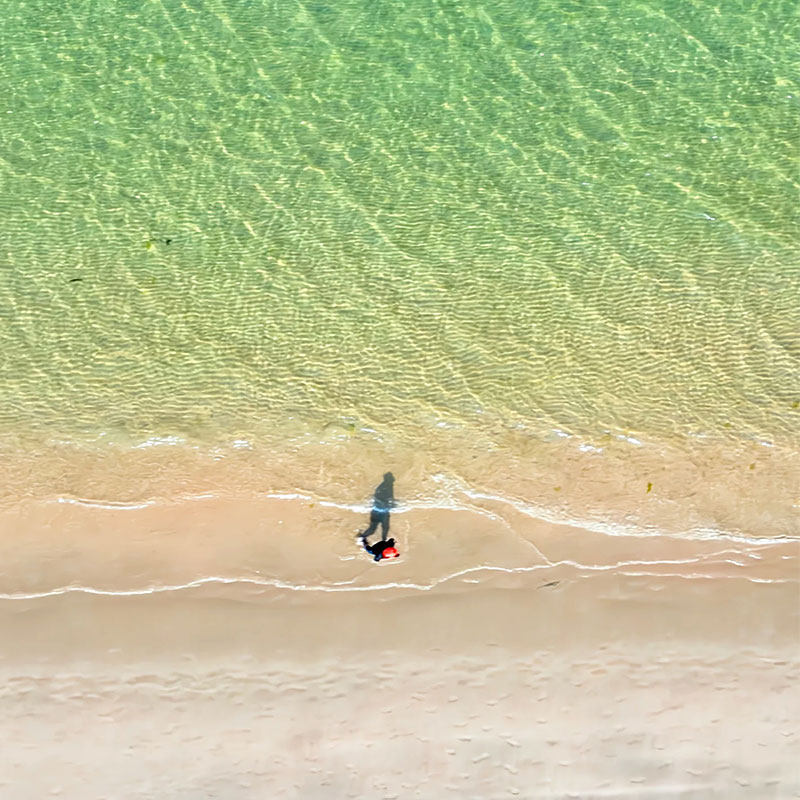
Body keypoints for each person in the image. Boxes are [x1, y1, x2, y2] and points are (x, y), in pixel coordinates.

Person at [359, 472, 399, 561]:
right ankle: (361, 536)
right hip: (382, 511)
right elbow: (392, 541)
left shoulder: (373, 551)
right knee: (383, 528)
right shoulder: (388, 548)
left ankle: (361, 536)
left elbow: (367, 547)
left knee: (374, 529)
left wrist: (363, 541)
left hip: (378, 511)